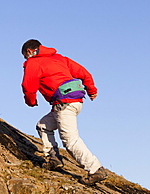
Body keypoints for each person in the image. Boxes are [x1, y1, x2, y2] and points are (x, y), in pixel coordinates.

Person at [21, 39, 107, 185]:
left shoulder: (33, 62)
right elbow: (85, 73)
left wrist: (31, 101)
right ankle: (54, 158)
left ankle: (95, 169)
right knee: (43, 125)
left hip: (64, 103)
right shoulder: (60, 58)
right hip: (75, 101)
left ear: (29, 51)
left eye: (24, 56)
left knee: (70, 140)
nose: (25, 59)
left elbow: (28, 85)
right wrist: (91, 90)